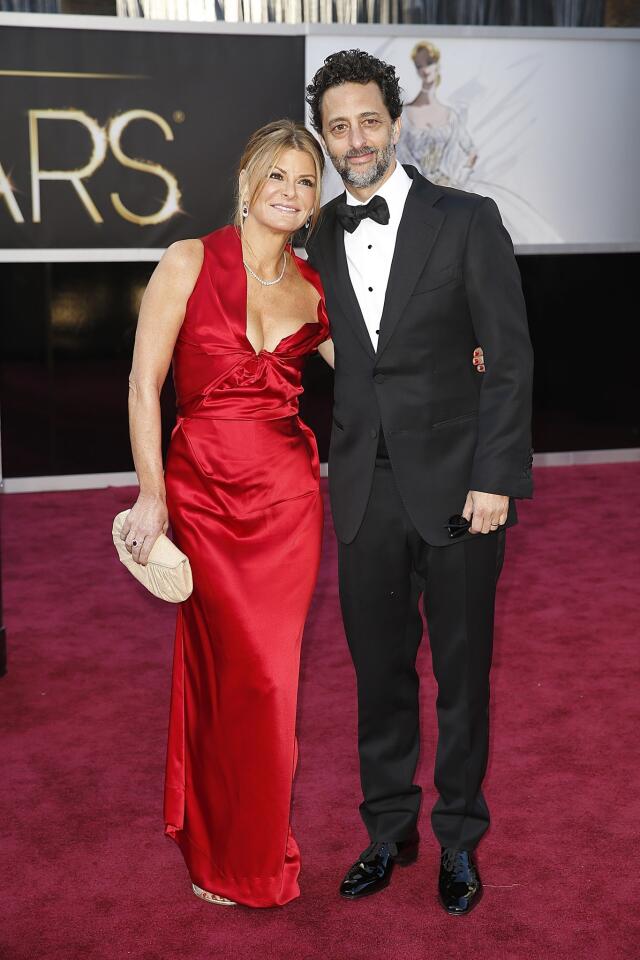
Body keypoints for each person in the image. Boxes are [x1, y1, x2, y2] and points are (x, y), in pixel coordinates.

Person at [306, 50, 533, 914]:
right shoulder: (317, 235)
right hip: (364, 485)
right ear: (325, 139)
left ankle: (460, 840)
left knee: (462, 673)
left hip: (461, 488)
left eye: (368, 120)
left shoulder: (467, 219)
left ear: (395, 124)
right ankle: (386, 828)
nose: (355, 139)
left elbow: (508, 359)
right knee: (378, 672)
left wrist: (496, 477)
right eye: (338, 127)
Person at [123, 120, 333, 908]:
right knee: (225, 677)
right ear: (247, 183)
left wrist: (468, 350)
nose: (289, 190)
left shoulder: (316, 287)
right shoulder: (188, 260)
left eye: (305, 180)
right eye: (276, 175)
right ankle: (221, 851)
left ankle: (253, 849)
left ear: (316, 202)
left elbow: (387, 369)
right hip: (203, 495)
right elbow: (145, 386)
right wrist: (153, 493)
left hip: (286, 503)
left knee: (272, 685)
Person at [397, 40, 477, 189]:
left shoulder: (451, 115)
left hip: (446, 193)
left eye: (429, 62)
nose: (425, 70)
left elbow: (471, 152)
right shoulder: (404, 115)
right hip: (415, 193)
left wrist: (457, 181)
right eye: (419, 66)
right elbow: (395, 155)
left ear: (438, 65)